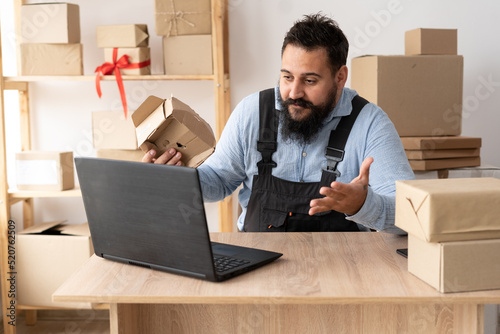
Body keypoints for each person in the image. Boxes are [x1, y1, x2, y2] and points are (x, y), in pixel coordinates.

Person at [143, 13, 414, 233]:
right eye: (286, 77)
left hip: (344, 275)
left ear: (340, 77)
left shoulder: (370, 124)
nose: (294, 93)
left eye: (309, 81)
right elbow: (218, 180)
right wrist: (178, 179)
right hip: (257, 270)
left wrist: (364, 205)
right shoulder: (252, 112)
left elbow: (409, 216)